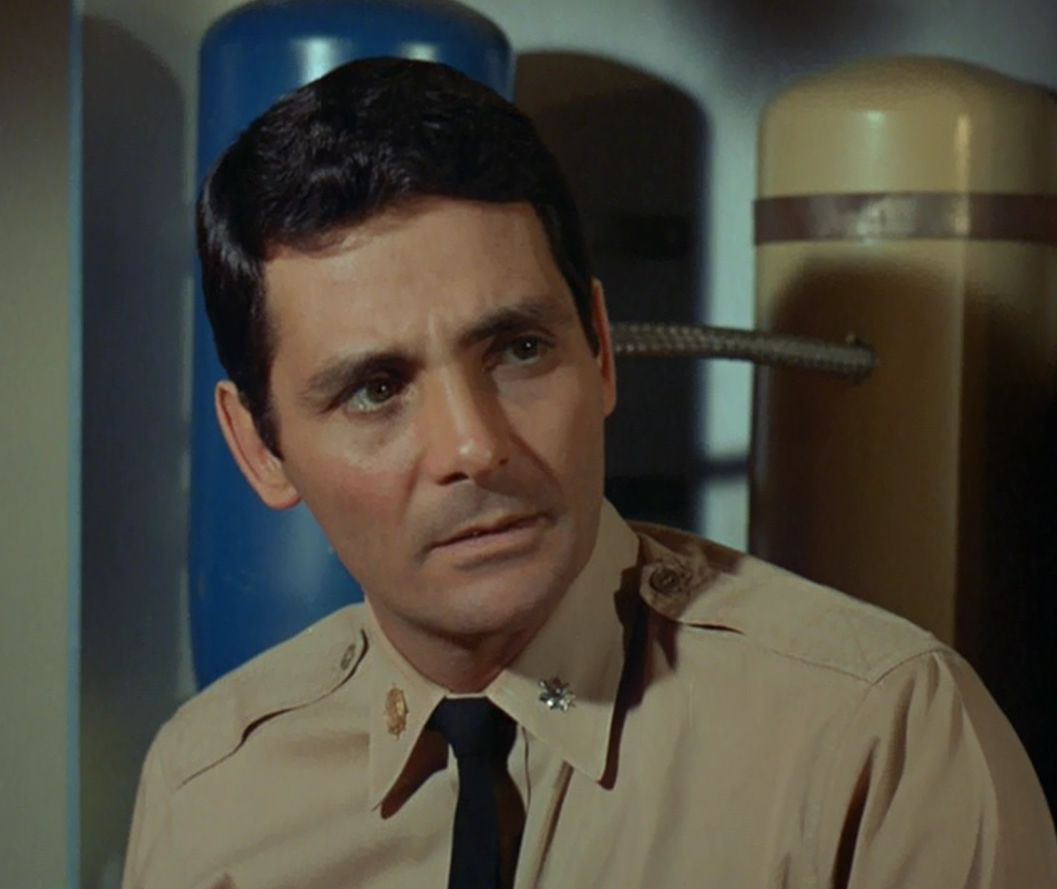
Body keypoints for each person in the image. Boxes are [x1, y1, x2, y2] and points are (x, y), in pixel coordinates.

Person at [122, 57, 1057, 889]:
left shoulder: (876, 738)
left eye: (520, 348)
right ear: (260, 448)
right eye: (375, 390)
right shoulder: (208, 790)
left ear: (601, 350)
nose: (473, 446)